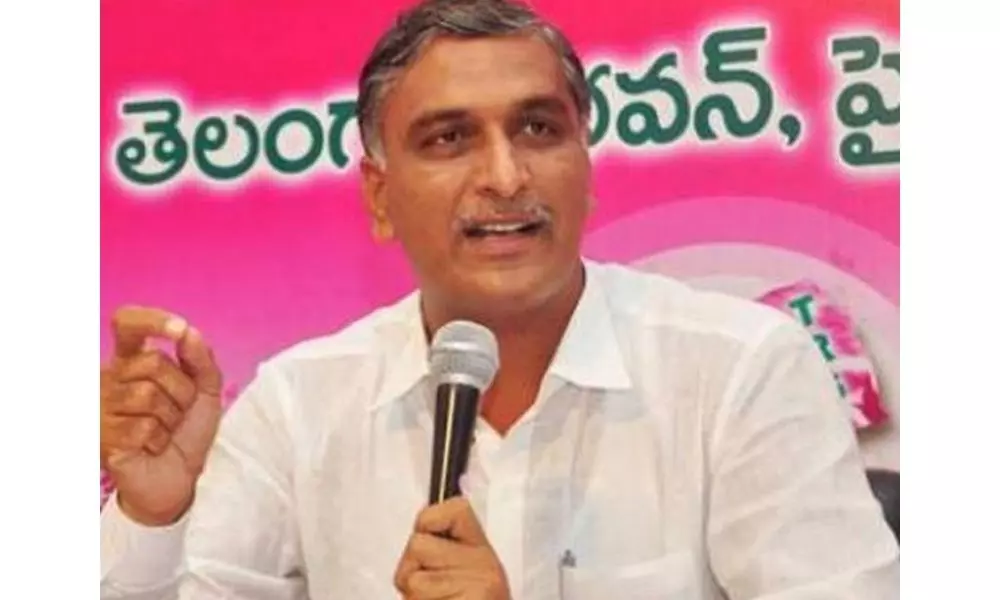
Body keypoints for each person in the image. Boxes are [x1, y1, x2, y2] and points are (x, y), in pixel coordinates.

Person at [99, 0, 901, 598]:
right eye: (449, 139)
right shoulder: (298, 406)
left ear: (586, 164)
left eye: (538, 130)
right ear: (379, 196)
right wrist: (154, 515)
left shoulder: (739, 372)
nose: (507, 176)